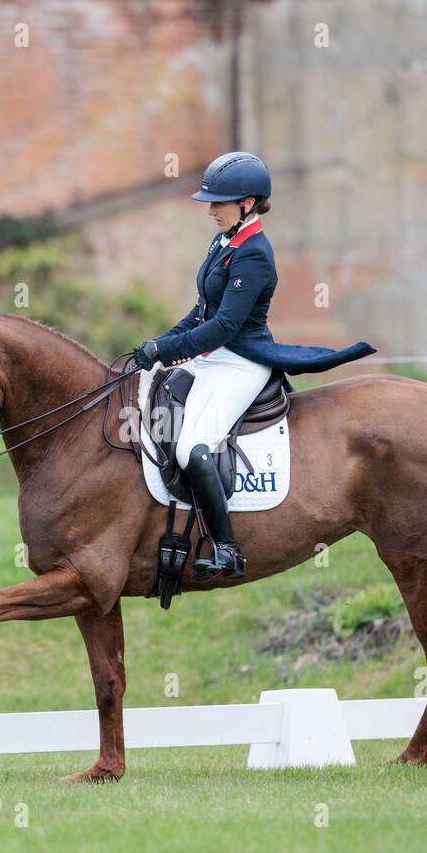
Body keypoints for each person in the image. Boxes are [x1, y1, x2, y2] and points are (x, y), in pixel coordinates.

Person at [133, 151, 377, 581]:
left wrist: (168, 350)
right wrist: (159, 345)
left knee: (192, 446)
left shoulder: (255, 254)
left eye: (218, 203)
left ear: (247, 204)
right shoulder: (224, 241)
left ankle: (226, 548)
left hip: (240, 363)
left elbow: (224, 326)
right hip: (212, 359)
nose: (210, 211)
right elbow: (202, 311)